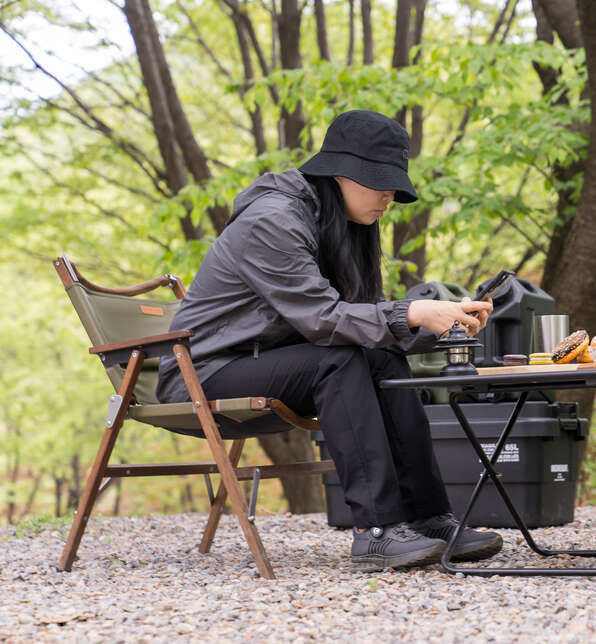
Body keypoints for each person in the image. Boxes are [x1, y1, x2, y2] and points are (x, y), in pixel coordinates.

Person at [156, 109, 502, 570]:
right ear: (342, 174)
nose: (389, 198)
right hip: (204, 372)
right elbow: (323, 319)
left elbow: (364, 322)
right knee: (337, 362)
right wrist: (414, 311)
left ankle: (425, 517)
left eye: (394, 189)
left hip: (268, 361)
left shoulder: (341, 224)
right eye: (381, 184)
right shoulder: (273, 220)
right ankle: (375, 531)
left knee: (379, 361)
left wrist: (437, 325)